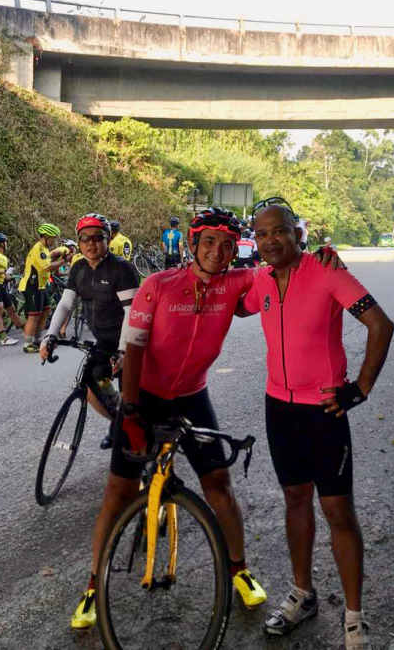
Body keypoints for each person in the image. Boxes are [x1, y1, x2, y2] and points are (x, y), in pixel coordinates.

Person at [70, 207, 342, 630]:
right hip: (145, 395)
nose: (219, 251)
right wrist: (131, 411)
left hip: (192, 396)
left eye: (228, 244)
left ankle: (239, 569)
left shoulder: (237, 283)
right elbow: (135, 349)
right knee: (118, 491)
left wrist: (319, 256)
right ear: (193, 244)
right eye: (210, 242)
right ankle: (92, 584)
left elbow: (283, 267)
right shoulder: (159, 284)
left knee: (219, 485)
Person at [240, 201, 394, 650]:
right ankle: (302, 594)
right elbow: (232, 304)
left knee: (338, 511)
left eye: (279, 231)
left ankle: (354, 616)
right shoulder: (260, 279)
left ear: (297, 233)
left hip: (323, 412)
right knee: (295, 500)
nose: (270, 240)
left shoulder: (327, 270)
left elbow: (381, 325)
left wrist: (359, 389)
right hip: (278, 408)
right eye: (262, 233)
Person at [40, 213, 139, 449]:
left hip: (130, 341)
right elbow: (66, 304)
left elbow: (132, 313)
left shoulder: (121, 269)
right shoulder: (79, 268)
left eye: (97, 237)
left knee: (131, 400)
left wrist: (124, 351)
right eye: (85, 238)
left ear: (108, 239)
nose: (91, 243)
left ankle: (139, 439)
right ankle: (118, 424)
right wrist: (50, 335)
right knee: (93, 387)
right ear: (79, 241)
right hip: (103, 340)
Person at [19, 224, 69, 353]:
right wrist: (63, 261)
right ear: (46, 237)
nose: (54, 241)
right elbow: (47, 267)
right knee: (34, 315)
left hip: (41, 285)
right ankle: (28, 344)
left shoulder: (45, 249)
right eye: (53, 238)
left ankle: (38, 339)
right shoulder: (39, 249)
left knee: (46, 309)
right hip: (32, 285)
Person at [0, 232, 22, 346]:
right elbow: (0, 271)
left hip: (0, 285)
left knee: (11, 309)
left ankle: (27, 331)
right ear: (1, 243)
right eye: (5, 242)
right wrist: (1, 272)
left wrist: (11, 278)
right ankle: (4, 338)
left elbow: (3, 274)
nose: (6, 244)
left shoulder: (3, 257)